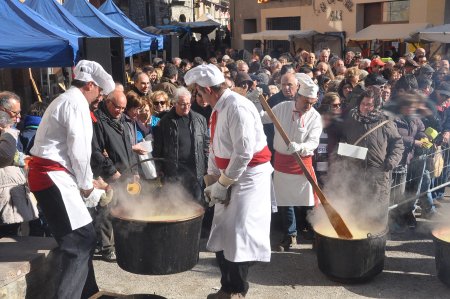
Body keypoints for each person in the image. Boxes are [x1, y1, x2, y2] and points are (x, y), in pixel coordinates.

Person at [28, 60, 115, 298]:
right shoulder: (76, 104)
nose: (100, 98)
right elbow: (79, 150)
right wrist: (88, 186)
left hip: (53, 176)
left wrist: (88, 182)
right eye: (99, 91)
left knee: (83, 236)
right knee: (79, 243)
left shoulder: (66, 100)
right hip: (51, 177)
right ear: (89, 85)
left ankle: (89, 293)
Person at [185, 64, 273, 298]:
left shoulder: (237, 106)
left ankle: (237, 291)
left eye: (199, 92)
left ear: (208, 89)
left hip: (248, 178)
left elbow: (243, 153)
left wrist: (222, 183)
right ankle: (227, 286)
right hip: (229, 175)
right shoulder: (219, 106)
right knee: (223, 232)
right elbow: (215, 147)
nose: (198, 97)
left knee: (238, 237)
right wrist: (212, 178)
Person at [261, 73, 322, 250]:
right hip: (281, 162)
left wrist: (301, 147)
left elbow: (314, 142)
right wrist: (254, 104)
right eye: (306, 102)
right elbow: (263, 117)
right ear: (298, 96)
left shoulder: (315, 117)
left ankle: (317, 236)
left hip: (302, 163)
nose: (309, 106)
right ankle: (290, 235)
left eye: (312, 103)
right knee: (285, 201)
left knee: (310, 202)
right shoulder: (282, 107)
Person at [153, 87, 209, 203]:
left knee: (196, 204)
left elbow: (205, 146)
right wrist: (159, 169)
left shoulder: (200, 120)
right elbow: (158, 148)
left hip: (195, 171)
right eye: (183, 104)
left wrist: (207, 166)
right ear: (175, 103)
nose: (186, 107)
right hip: (174, 171)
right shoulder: (164, 121)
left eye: (188, 104)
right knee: (176, 204)